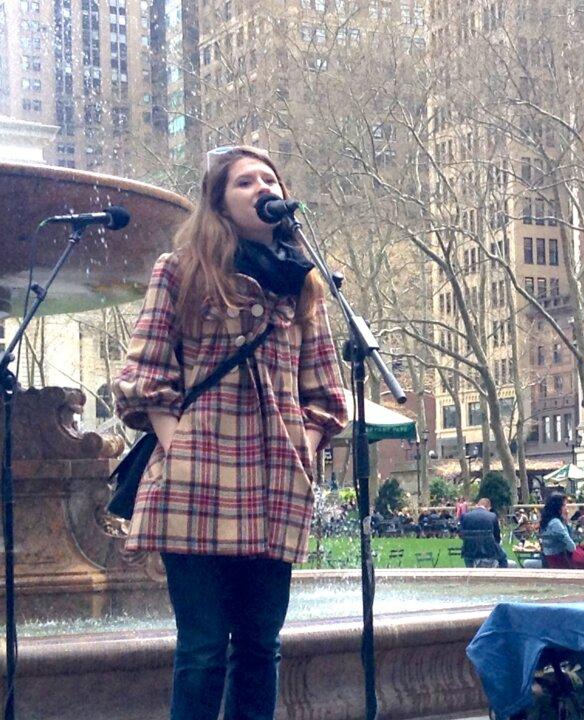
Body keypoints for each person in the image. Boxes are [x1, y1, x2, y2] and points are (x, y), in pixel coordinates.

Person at [112, 145, 349, 719]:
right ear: (218, 202)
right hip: (195, 484)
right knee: (201, 650)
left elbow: (324, 393)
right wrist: (179, 445)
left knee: (260, 648)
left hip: (274, 488)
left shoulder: (302, 286)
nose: (262, 187)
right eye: (245, 182)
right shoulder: (180, 270)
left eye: (269, 178)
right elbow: (143, 375)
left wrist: (306, 447)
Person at [538, 493, 584, 569]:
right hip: (563, 559)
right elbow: (572, 547)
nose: (566, 508)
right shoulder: (556, 523)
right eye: (564, 505)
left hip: (553, 558)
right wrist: (565, 521)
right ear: (558, 508)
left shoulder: (546, 522)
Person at [458, 498, 509, 569]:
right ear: (489, 507)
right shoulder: (492, 516)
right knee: (503, 557)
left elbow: (461, 533)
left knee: (467, 556)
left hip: (469, 549)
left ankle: (470, 571)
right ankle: (502, 576)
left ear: (477, 505)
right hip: (488, 548)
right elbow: (497, 536)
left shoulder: (465, 516)